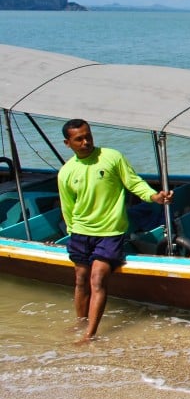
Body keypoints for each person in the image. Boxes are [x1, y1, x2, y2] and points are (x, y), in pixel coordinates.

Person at [57, 119, 173, 343]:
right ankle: (80, 321)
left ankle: (90, 334)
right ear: (67, 143)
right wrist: (73, 232)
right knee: (81, 279)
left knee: (97, 279)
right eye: (79, 139)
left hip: (110, 232)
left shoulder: (112, 157)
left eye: (88, 136)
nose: (86, 142)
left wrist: (154, 196)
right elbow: (67, 207)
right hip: (80, 232)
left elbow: (134, 183)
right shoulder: (66, 172)